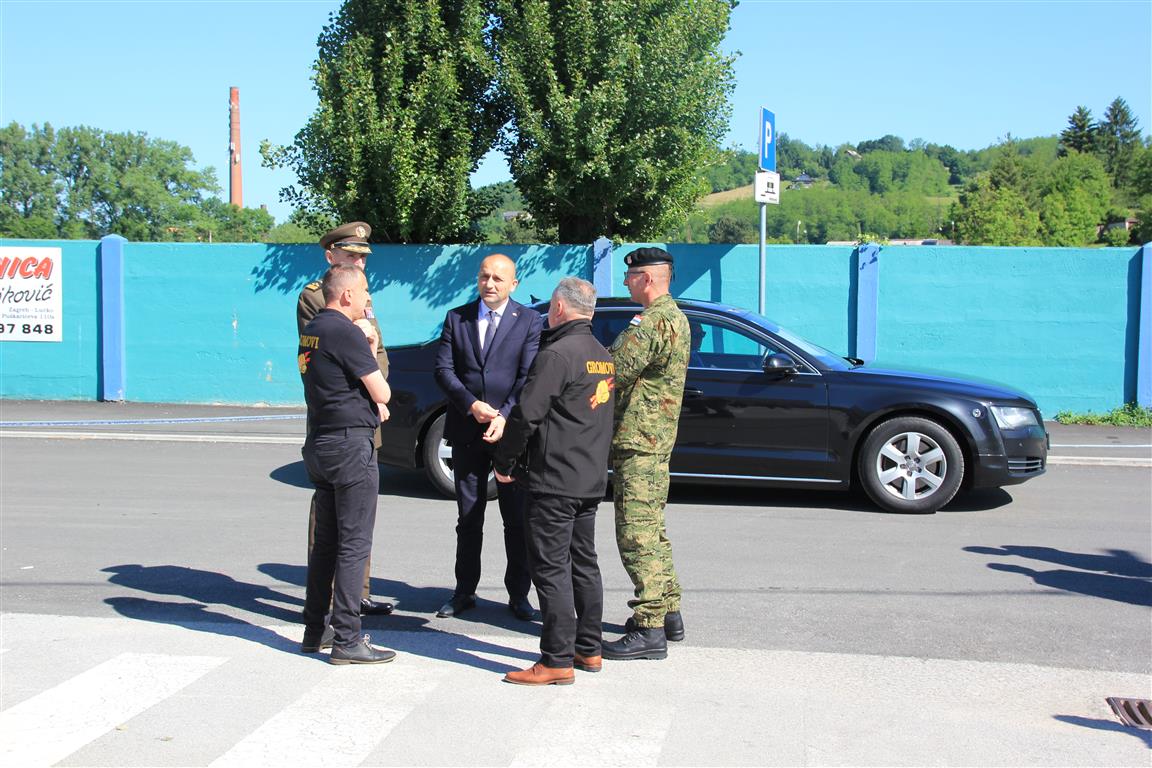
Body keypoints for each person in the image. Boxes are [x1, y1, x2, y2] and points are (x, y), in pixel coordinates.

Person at [492, 278, 614, 686]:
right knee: (584, 563)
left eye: (550, 307)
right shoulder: (602, 355)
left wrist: (505, 461)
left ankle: (556, 659)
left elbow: (527, 414)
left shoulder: (558, 354)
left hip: (555, 478)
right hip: (588, 477)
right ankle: (588, 648)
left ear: (559, 307)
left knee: (551, 568)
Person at [433, 254, 544, 620]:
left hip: (510, 436)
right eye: (484, 277)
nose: (490, 284)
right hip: (468, 430)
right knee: (469, 517)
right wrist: (470, 404)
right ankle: (464, 591)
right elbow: (444, 370)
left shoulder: (529, 321)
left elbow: (528, 375)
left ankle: (518, 595)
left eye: (498, 278)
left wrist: (504, 415)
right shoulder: (457, 318)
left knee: (516, 520)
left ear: (514, 284)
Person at [298, 264, 395, 664]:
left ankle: (315, 628)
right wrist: (370, 345)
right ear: (347, 295)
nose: (368, 297)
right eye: (365, 290)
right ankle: (348, 639)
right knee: (354, 544)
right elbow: (382, 391)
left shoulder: (313, 330)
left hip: (321, 443)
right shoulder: (345, 332)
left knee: (326, 543)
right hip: (350, 445)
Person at [601, 246, 690, 661]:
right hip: (655, 439)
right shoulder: (676, 317)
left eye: (631, 276)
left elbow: (614, 369)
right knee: (653, 529)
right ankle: (669, 611)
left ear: (648, 278)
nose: (626, 282)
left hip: (639, 441)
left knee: (636, 534)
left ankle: (649, 627)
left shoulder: (652, 322)